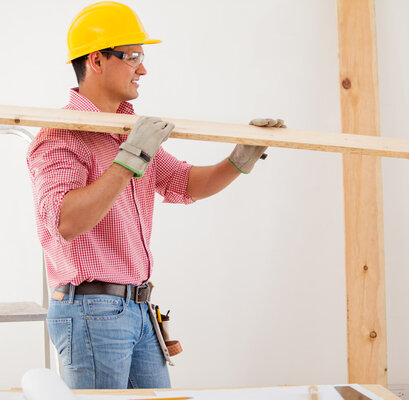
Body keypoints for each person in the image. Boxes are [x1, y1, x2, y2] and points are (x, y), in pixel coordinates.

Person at [26, 1, 284, 390]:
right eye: (132, 57)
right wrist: (130, 158)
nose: (142, 69)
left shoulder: (130, 132)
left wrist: (238, 158)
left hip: (137, 309)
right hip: (91, 309)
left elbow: (185, 183)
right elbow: (66, 221)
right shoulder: (62, 135)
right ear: (97, 60)